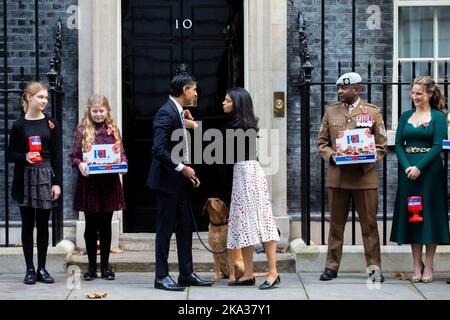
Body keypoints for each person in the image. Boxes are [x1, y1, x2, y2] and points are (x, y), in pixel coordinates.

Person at [317, 72, 387, 282]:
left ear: (356, 89)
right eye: (339, 88)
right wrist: (333, 157)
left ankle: (374, 268)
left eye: (344, 88)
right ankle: (331, 266)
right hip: (338, 177)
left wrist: (366, 159)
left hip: (363, 178)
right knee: (336, 225)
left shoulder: (373, 112)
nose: (339, 91)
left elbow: (382, 145)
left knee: (369, 226)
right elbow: (321, 143)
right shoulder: (330, 112)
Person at [146, 72, 213, 291]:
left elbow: (179, 147)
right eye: (194, 89)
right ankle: (161, 276)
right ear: (185, 90)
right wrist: (182, 168)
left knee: (185, 228)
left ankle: (186, 273)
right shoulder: (165, 113)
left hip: (180, 181)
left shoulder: (178, 113)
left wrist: (188, 173)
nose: (196, 93)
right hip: (166, 182)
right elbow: (158, 150)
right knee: (165, 229)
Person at [391, 76, 450, 283]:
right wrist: (408, 167)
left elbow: (437, 146)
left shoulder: (439, 117)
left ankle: (429, 265)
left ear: (429, 94)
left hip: (430, 173)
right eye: (413, 92)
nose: (414, 96)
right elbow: (398, 145)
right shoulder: (405, 115)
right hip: (409, 174)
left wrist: (419, 167)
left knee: (429, 217)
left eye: (418, 93)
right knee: (413, 217)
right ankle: (417, 266)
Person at [222, 87, 281, 290]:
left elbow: (224, 153)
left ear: (237, 104)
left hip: (249, 177)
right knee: (243, 224)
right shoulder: (237, 125)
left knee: (262, 221)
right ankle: (248, 273)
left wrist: (196, 129)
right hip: (242, 175)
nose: (224, 103)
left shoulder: (242, 128)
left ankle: (273, 272)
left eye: (227, 100)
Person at [8, 82, 62, 284]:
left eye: (46, 98)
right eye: (40, 97)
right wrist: (25, 157)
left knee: (43, 225)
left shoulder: (51, 123)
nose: (44, 101)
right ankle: (29, 269)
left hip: (46, 176)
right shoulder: (19, 125)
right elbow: (10, 154)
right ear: (29, 98)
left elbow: (57, 156)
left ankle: (42, 268)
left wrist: (57, 183)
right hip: (25, 178)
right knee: (27, 224)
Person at [70, 95, 127, 281]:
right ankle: (91, 268)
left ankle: (105, 267)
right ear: (89, 110)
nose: (98, 114)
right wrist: (80, 165)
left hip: (109, 184)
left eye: (101, 110)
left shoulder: (113, 131)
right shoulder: (82, 130)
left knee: (105, 227)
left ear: (107, 111)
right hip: (90, 185)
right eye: (95, 111)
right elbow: (74, 156)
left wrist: (124, 165)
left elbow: (122, 154)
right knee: (90, 227)